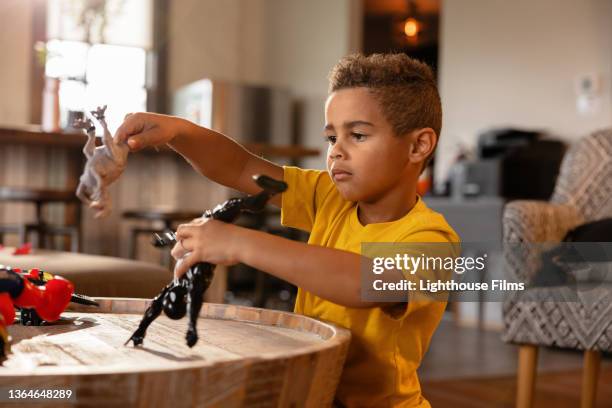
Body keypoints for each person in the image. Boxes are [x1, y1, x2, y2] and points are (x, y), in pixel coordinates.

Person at [115, 53, 459, 407]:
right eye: (331, 139)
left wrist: (239, 243)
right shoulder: (329, 196)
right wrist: (180, 131)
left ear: (418, 145)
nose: (336, 152)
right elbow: (239, 166)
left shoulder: (434, 240)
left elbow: (367, 282)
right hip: (311, 392)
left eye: (357, 135)